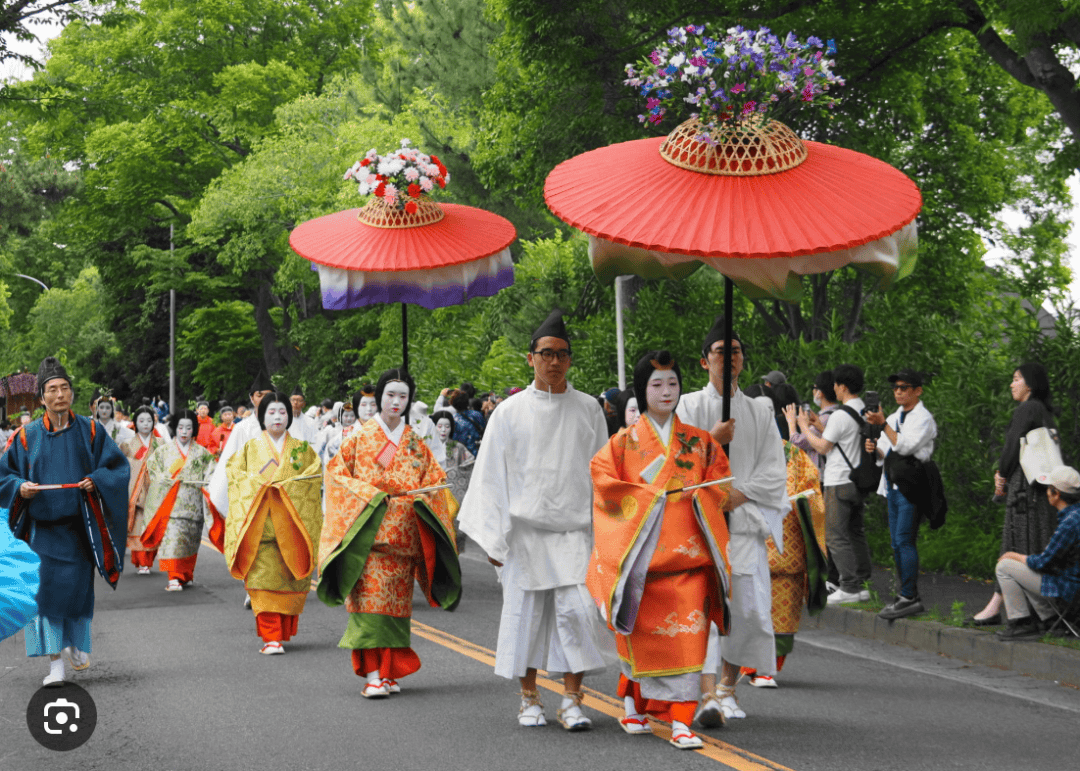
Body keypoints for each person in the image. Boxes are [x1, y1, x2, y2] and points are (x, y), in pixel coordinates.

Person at [459, 310, 610, 731]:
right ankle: (529, 697)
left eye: (562, 354)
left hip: (575, 533)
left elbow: (603, 474)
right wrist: (493, 539)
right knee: (524, 617)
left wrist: (606, 536)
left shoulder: (588, 410)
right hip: (523, 535)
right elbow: (490, 475)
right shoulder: (508, 412)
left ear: (570, 359)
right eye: (546, 354)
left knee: (578, 615)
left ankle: (572, 700)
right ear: (531, 359)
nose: (555, 362)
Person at [589, 350, 733, 749]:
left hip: (690, 562)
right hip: (642, 564)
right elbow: (603, 485)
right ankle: (634, 703)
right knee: (643, 643)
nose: (666, 391)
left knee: (689, 641)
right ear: (641, 389)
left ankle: (681, 721)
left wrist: (702, 495)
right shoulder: (621, 445)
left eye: (672, 383)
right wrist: (649, 497)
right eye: (656, 384)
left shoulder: (701, 443)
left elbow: (719, 486)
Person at [318, 368, 460, 697]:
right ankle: (372, 677)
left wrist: (429, 496)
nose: (396, 402)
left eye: (403, 396)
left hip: (403, 539)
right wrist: (372, 497)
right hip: (368, 537)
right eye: (390, 394)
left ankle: (389, 673)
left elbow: (433, 483)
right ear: (379, 396)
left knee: (396, 609)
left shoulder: (413, 442)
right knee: (370, 609)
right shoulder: (358, 437)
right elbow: (337, 477)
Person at [676, 317, 788, 723]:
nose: (729, 358)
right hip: (700, 525)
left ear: (743, 360)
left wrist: (735, 495)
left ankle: (728, 687)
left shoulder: (759, 409)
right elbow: (677, 460)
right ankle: (704, 692)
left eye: (735, 351)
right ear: (704, 361)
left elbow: (776, 468)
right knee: (703, 613)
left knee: (749, 613)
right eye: (720, 351)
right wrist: (712, 439)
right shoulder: (688, 405)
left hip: (742, 522)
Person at [0, 357, 129, 686]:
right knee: (42, 596)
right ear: (41, 398)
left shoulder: (90, 430)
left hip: (78, 532)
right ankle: (54, 663)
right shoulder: (26, 436)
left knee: (76, 595)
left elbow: (116, 468)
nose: (60, 395)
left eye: (65, 388)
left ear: (72, 393)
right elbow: (5, 476)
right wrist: (20, 488)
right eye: (52, 390)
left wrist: (95, 480)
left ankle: (74, 643)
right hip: (40, 533)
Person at [741, 383, 828, 687]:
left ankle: (768, 668)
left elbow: (813, 493)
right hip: (747, 546)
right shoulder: (736, 453)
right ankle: (744, 664)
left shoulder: (794, 454)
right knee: (746, 608)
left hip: (786, 546)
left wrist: (801, 501)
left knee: (782, 611)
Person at [224, 392, 322, 654]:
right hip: (260, 528)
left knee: (288, 581)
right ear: (260, 416)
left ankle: (281, 632)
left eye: (282, 412)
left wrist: (286, 488)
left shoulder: (302, 450)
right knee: (262, 583)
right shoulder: (249, 448)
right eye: (271, 412)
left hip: (292, 526)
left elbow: (313, 478)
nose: (277, 417)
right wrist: (258, 486)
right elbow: (235, 476)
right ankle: (271, 638)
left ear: (289, 416)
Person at [971, 363, 1061, 625]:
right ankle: (1003, 605)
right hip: (1039, 490)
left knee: (1016, 545)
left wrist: (1002, 475)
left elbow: (1012, 443)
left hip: (1026, 491)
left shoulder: (1028, 408)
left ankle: (1011, 609)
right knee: (1026, 545)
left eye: (1016, 379)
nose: (1012, 384)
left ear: (1030, 385)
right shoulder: (1043, 411)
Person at [864, 369, 938, 620]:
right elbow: (886, 450)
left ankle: (910, 597)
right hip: (893, 483)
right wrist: (874, 449)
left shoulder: (923, 418)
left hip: (912, 485)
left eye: (904, 387)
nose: (898, 391)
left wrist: (882, 424)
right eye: (896, 387)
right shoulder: (896, 416)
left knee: (905, 540)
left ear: (918, 391)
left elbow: (905, 446)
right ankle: (905, 595)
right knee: (896, 542)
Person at [797, 363, 872, 605]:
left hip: (838, 480)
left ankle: (849, 586)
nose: (835, 390)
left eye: (836, 386)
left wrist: (802, 428)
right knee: (855, 532)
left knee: (834, 534)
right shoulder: (865, 410)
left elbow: (822, 446)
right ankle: (862, 583)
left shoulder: (841, 414)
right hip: (858, 479)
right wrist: (820, 426)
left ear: (842, 387)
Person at [994, 465, 1080, 640]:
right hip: (1073, 583)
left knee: (1005, 566)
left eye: (1049, 489)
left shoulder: (1070, 522)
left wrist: (1014, 555)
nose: (1046, 493)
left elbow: (1044, 562)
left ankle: (1021, 623)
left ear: (1056, 493)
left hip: (1070, 590)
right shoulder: (1075, 515)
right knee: (1026, 568)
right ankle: (1052, 621)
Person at [140, 409, 221, 591]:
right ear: (175, 429)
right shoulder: (163, 453)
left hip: (193, 507)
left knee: (190, 543)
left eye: (188, 428)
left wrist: (206, 484)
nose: (184, 432)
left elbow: (211, 475)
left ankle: (185, 575)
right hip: (170, 505)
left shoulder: (202, 454)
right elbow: (152, 470)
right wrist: (166, 478)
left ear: (194, 430)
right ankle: (172, 578)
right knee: (171, 543)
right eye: (180, 427)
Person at [208, 372, 275, 518]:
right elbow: (229, 461)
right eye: (260, 395)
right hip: (250, 492)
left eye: (268, 395)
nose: (265, 399)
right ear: (252, 398)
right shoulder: (242, 428)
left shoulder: (283, 426)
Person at [120, 405, 168, 575]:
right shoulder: (127, 445)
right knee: (137, 527)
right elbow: (121, 468)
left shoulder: (161, 444)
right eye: (141, 421)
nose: (145, 424)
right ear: (135, 423)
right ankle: (142, 562)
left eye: (149, 420)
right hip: (135, 491)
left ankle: (148, 560)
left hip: (154, 490)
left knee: (151, 526)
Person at [785, 371, 838, 475]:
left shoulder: (825, 418)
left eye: (814, 388)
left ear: (820, 393)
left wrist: (791, 423)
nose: (813, 392)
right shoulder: (836, 413)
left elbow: (799, 443)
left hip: (822, 476)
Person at [450, 389, 485, 457]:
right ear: (467, 402)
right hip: (478, 453)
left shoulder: (452, 419)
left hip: (461, 456)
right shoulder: (477, 415)